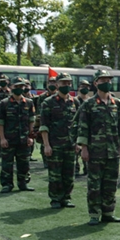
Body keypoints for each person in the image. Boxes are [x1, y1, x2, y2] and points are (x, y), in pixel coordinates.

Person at [76, 70, 120, 225]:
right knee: (94, 185)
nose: (106, 82)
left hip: (112, 151)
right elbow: (83, 128)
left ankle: (108, 212)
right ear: (96, 83)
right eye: (103, 80)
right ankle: (94, 214)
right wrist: (84, 148)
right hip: (94, 152)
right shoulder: (89, 104)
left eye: (108, 80)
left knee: (110, 184)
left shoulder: (117, 104)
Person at [40, 73, 78, 207]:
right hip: (55, 144)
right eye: (63, 83)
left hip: (70, 144)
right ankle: (55, 198)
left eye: (68, 83)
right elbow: (44, 125)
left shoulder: (75, 102)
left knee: (69, 173)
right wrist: (46, 145)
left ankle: (66, 197)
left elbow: (78, 124)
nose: (66, 85)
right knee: (55, 174)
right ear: (57, 85)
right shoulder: (48, 102)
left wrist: (78, 142)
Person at [0, 77, 36, 193]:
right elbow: (0, 122)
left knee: (24, 163)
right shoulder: (4, 103)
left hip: (24, 139)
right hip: (9, 139)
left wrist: (30, 136)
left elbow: (31, 120)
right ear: (11, 87)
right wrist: (2, 138)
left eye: (21, 86)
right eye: (17, 86)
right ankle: (7, 184)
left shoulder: (29, 103)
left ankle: (23, 183)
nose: (19, 89)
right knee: (7, 164)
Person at [74, 79, 93, 176]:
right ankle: (76, 169)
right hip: (77, 129)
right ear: (79, 88)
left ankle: (87, 168)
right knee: (76, 151)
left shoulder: (91, 100)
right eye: (82, 86)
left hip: (87, 130)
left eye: (86, 87)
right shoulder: (75, 101)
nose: (84, 88)